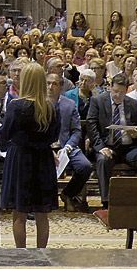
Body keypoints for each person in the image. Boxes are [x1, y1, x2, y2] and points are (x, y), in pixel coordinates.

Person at [0, 62, 59, 248]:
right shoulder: (50, 107)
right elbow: (54, 136)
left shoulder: (16, 106)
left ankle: (21, 253)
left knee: (19, 212)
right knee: (42, 213)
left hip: (20, 159)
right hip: (43, 160)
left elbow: (4, 134)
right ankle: (42, 252)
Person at [84, 74, 137, 209]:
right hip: (107, 145)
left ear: (127, 90)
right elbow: (91, 125)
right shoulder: (98, 101)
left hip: (128, 146)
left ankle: (136, 199)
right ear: (110, 87)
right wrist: (100, 147)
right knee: (103, 161)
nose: (118, 95)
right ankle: (106, 201)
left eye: (122, 93)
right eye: (115, 91)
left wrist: (136, 133)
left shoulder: (133, 103)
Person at [47, 73, 92, 212]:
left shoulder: (69, 104)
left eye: (54, 84)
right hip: (45, 147)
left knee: (85, 166)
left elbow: (77, 131)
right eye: (48, 83)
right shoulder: (38, 103)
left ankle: (68, 193)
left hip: (66, 146)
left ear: (61, 87)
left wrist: (67, 147)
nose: (50, 87)